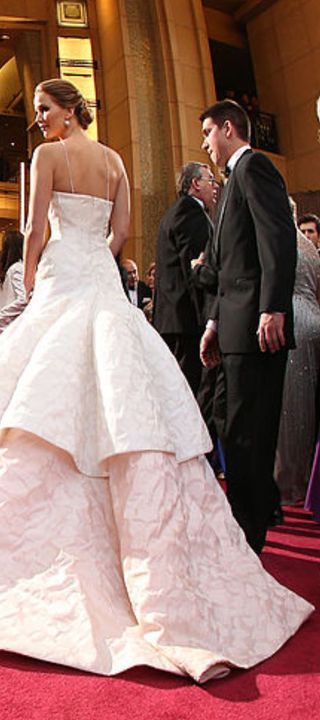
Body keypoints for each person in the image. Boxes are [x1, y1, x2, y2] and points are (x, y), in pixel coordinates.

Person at [0, 80, 311, 683]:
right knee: (125, 398)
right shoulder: (115, 161)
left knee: (32, 396)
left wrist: (32, 285)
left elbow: (34, 232)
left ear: (69, 109)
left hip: (62, 280)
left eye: (45, 110)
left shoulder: (49, 157)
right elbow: (120, 233)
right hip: (100, 281)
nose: (40, 121)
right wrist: (93, 261)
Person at [198, 99, 298, 553]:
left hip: (259, 328)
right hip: (234, 328)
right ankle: (244, 527)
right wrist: (215, 321)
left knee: (250, 435)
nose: (205, 143)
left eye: (207, 133)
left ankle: (250, 537)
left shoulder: (255, 168)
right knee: (234, 431)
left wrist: (273, 307)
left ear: (227, 128)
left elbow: (275, 239)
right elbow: (228, 264)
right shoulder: (230, 182)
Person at [153, 162, 218, 392]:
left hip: (174, 320)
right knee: (189, 391)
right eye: (210, 180)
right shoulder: (190, 212)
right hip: (187, 321)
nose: (215, 186)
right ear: (195, 184)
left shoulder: (178, 211)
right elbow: (195, 269)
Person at [274, 199, 320, 506]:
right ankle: (310, 481)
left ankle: (290, 484)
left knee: (290, 408)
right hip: (315, 321)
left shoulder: (279, 241)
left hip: (291, 323)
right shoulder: (310, 247)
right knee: (311, 408)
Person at [0, 230, 25, 348]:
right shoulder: (14, 270)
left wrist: (2, 316)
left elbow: (23, 298)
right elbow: (24, 298)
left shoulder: (13, 271)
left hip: (5, 330)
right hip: (6, 329)